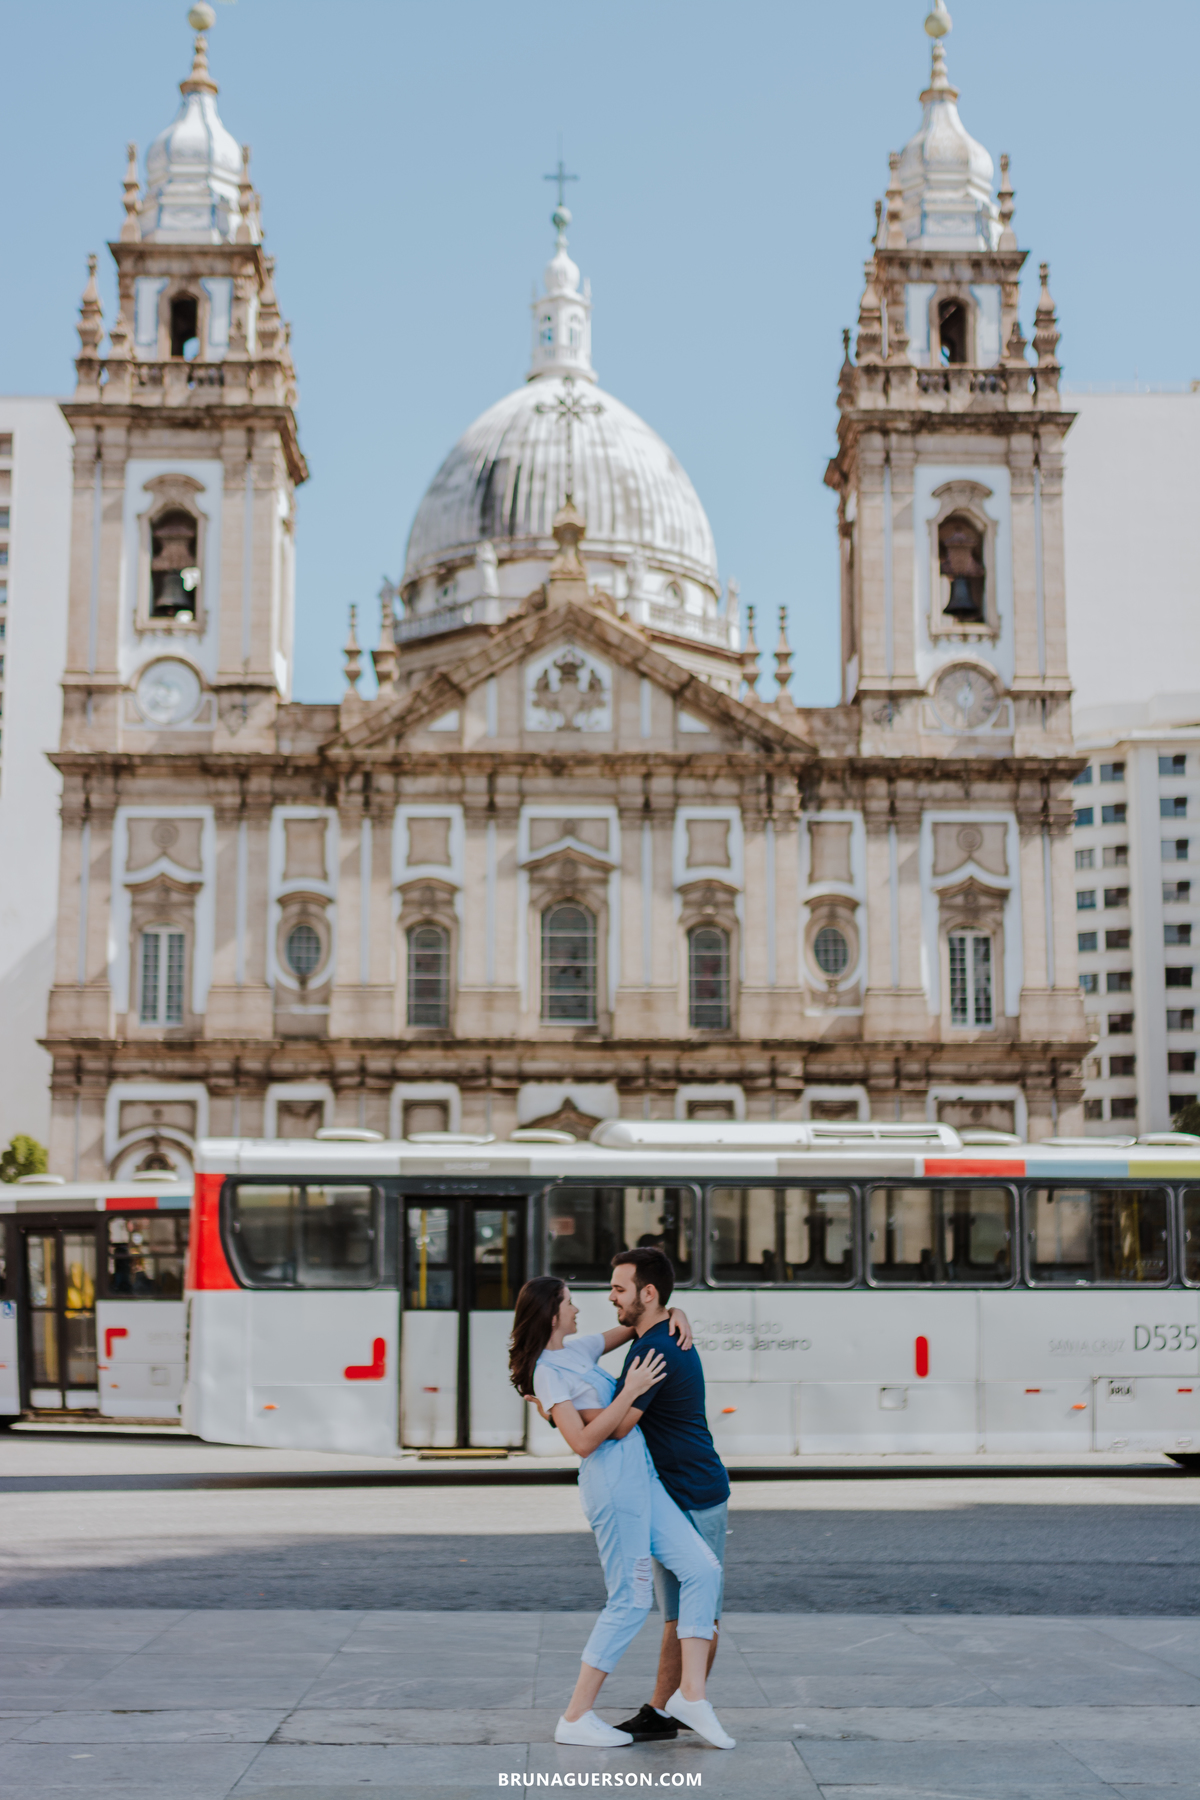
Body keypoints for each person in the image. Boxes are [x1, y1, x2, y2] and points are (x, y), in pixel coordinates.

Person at [509, 1276, 735, 1751]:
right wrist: (629, 1390)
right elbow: (584, 1442)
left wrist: (676, 1314)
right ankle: (575, 1716)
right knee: (630, 1601)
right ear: (552, 1314)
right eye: (570, 1303)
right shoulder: (547, 1370)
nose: (579, 1309)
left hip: (643, 1476)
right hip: (614, 1488)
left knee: (702, 1569)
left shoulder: (578, 1349)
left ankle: (691, 1697)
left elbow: (638, 1328)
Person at [606, 1247, 732, 1744]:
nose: (611, 1297)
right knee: (679, 1613)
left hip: (695, 1494)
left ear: (648, 1292)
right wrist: (677, 1311)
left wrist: (559, 1412)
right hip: (678, 1490)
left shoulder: (653, 1350)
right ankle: (667, 1710)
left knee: (700, 1613)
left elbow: (620, 1427)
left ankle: (672, 1708)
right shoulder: (655, 1335)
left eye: (619, 1288)